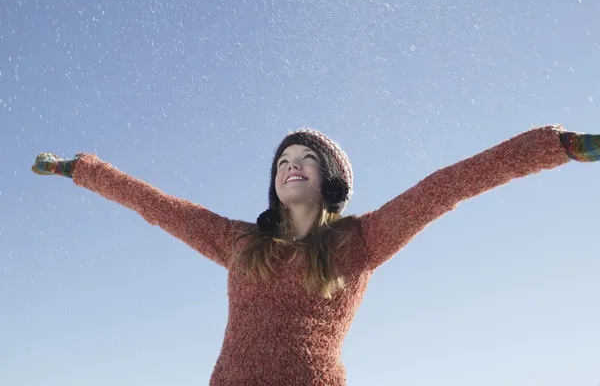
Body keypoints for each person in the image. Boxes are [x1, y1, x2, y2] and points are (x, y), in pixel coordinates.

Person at [32, 126, 599, 385]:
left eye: (306, 157)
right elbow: (155, 204)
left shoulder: (364, 240)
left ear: (329, 180)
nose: (290, 164)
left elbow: (446, 186)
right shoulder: (240, 242)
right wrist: (76, 168)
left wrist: (556, 148)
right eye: (282, 160)